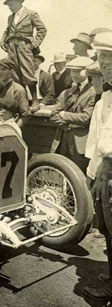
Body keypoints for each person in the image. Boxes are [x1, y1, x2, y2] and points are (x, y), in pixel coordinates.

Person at [83, 32, 112, 303]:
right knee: (107, 229)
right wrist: (94, 173)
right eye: (102, 59)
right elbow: (98, 141)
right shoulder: (105, 98)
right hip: (104, 169)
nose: (104, 65)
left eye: (109, 59)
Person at [0, 0, 47, 112]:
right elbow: (7, 30)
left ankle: (35, 101)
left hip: (24, 46)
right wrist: (2, 40)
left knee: (27, 73)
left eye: (12, 4)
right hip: (12, 47)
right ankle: (22, 102)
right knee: (15, 75)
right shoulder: (10, 18)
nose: (10, 7)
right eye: (9, 5)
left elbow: (42, 29)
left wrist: (34, 44)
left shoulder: (31, 14)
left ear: (19, 3)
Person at [49, 56, 95, 173]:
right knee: (62, 173)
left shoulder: (93, 93)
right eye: (72, 71)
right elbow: (53, 115)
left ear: (86, 72)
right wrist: (69, 126)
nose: (73, 74)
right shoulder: (66, 92)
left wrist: (64, 114)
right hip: (62, 140)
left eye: (77, 71)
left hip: (80, 144)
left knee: (80, 175)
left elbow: (86, 118)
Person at [0, 58, 30, 125]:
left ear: (11, 71)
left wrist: (14, 128)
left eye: (4, 69)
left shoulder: (18, 90)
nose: (0, 72)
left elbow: (26, 115)